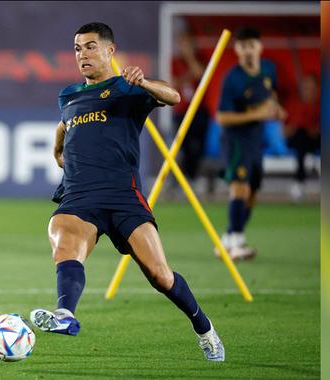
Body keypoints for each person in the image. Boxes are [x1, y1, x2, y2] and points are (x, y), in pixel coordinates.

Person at [29, 22, 224, 362]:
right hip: (79, 196)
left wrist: (144, 82)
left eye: (90, 46)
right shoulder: (69, 95)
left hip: (123, 196)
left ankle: (203, 326)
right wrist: (59, 150)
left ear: (109, 50)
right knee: (64, 244)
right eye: (77, 48)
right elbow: (64, 124)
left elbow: (174, 96)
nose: (83, 54)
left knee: (160, 276)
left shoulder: (128, 89)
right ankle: (65, 314)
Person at [215, 27, 286, 260]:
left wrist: (275, 109)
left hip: (256, 140)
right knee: (240, 187)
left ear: (259, 47)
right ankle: (236, 242)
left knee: (253, 193)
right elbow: (222, 116)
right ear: (236, 50)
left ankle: (228, 238)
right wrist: (257, 115)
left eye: (251, 45)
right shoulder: (233, 78)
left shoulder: (268, 69)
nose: (247, 50)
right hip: (235, 139)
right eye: (243, 46)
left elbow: (270, 95)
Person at [172, 25, 210, 184]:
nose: (185, 46)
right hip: (181, 111)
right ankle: (186, 178)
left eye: (188, 42)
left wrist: (190, 57)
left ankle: (195, 176)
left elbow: (200, 72)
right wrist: (188, 77)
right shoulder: (174, 62)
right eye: (182, 42)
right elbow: (173, 83)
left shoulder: (200, 58)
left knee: (200, 145)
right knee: (184, 145)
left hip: (199, 110)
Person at [285, 74, 320, 202]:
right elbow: (284, 130)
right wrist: (291, 128)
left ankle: (299, 181)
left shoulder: (320, 104)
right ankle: (300, 182)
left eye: (311, 87)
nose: (308, 90)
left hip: (315, 140)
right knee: (301, 135)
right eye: (306, 87)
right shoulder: (294, 104)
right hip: (296, 140)